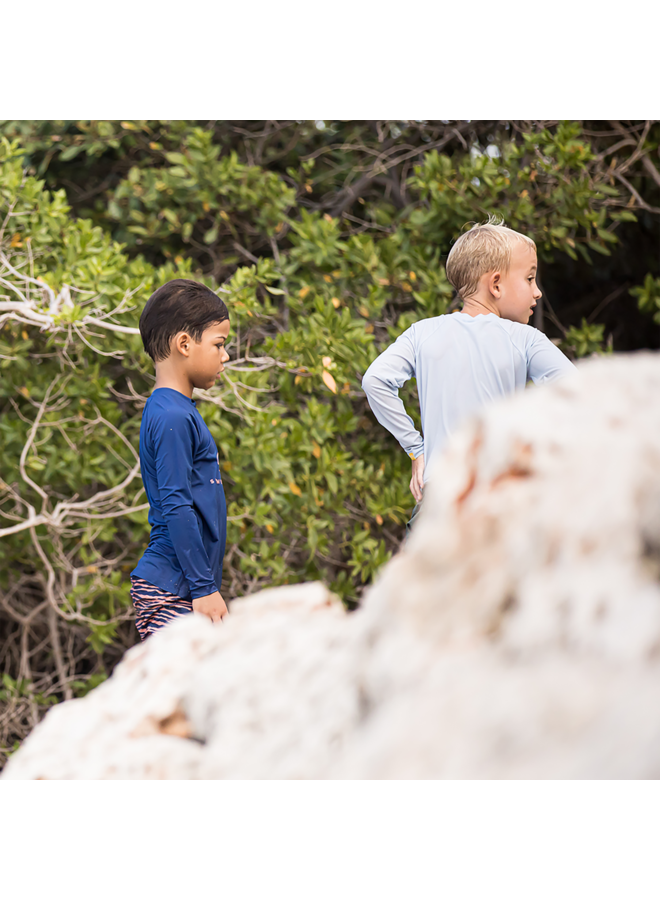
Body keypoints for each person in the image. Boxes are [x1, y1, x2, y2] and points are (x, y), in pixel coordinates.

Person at [361, 218, 577, 540]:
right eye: (530, 278)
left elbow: (375, 380)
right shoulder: (525, 339)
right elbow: (577, 395)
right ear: (496, 284)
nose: (537, 291)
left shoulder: (423, 332)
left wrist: (415, 450)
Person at [129, 279, 231, 640]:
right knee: (177, 695)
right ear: (184, 344)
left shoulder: (175, 410)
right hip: (173, 587)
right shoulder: (172, 415)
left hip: (181, 584)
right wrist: (204, 587)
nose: (225, 355)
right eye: (219, 344)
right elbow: (175, 504)